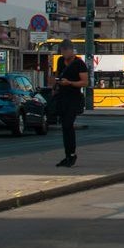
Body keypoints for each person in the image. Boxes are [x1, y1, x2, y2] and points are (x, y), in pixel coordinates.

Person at [52, 39, 88, 168]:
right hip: (62, 97)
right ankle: (68, 155)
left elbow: (85, 82)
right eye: (61, 51)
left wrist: (70, 83)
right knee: (64, 127)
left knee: (68, 125)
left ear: (71, 50)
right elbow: (58, 75)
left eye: (65, 51)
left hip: (74, 98)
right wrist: (56, 84)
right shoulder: (60, 61)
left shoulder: (79, 64)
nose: (63, 54)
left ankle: (72, 155)